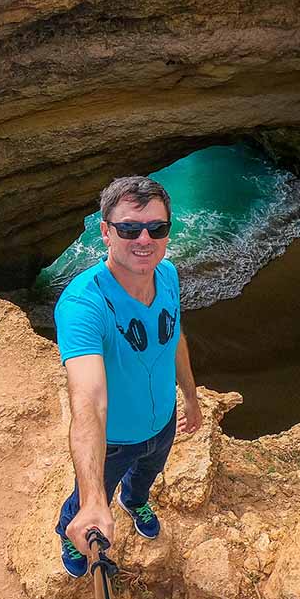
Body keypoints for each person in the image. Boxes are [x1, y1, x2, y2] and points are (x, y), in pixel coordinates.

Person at [53, 176, 203, 578]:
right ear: (105, 232)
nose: (144, 239)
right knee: (94, 492)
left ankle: (134, 501)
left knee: (147, 475)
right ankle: (71, 528)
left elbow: (175, 339)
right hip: (114, 440)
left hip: (163, 421)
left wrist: (189, 397)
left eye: (157, 228)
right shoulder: (84, 304)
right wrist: (91, 501)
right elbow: (88, 398)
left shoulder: (167, 274)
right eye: (129, 228)